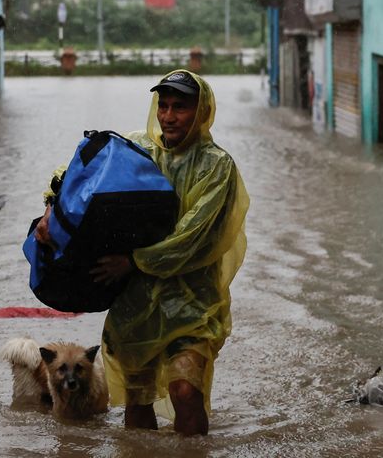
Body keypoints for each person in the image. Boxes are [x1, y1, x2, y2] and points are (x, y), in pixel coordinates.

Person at [35, 70, 250, 435]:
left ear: (202, 111)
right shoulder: (138, 149)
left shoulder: (217, 166)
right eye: (163, 106)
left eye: (180, 107)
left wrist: (132, 260)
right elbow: (75, 172)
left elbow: (192, 238)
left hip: (192, 304)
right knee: (137, 403)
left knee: (185, 391)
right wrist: (51, 208)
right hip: (135, 304)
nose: (168, 116)